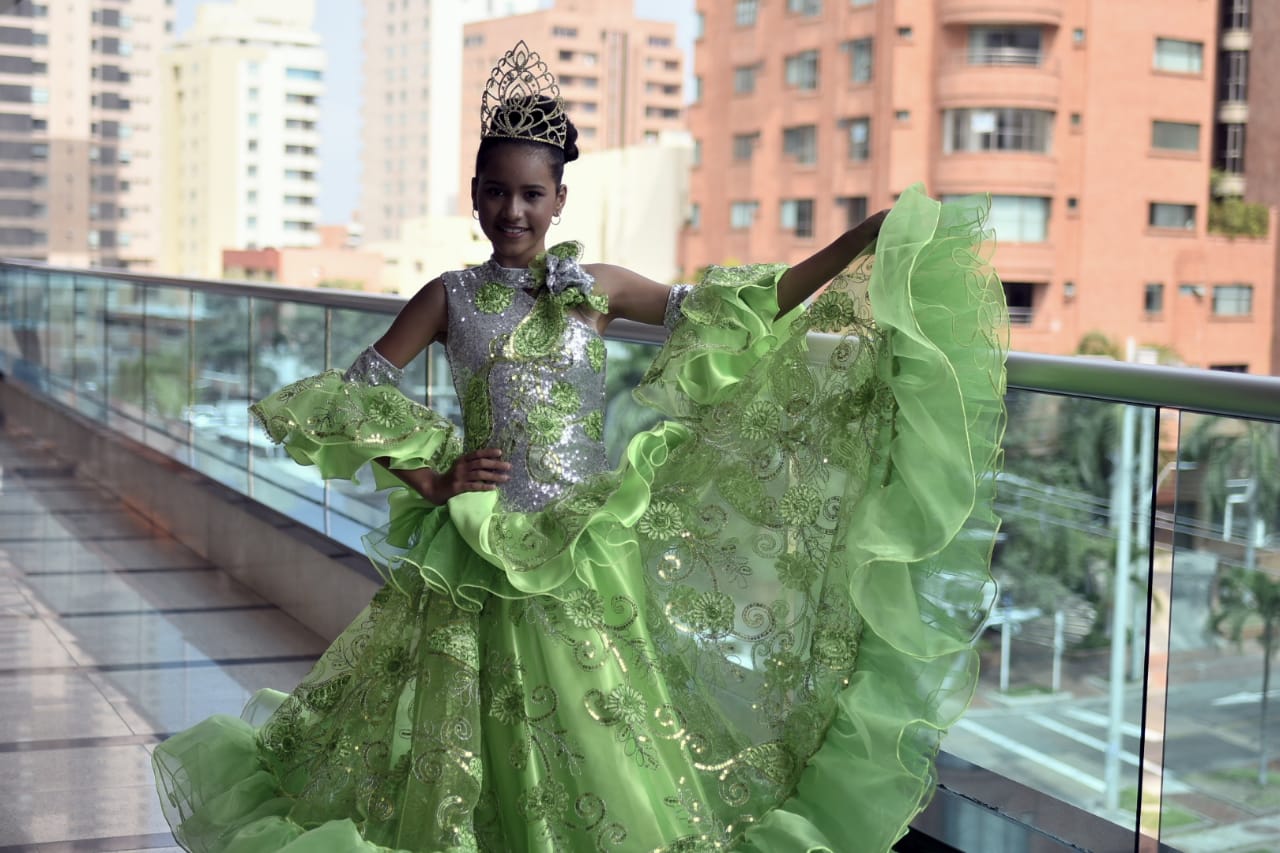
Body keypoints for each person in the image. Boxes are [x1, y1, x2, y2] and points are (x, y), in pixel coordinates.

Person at [153, 41, 1007, 853]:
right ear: (475, 192)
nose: (512, 212)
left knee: (597, 727)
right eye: (495, 192)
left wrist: (860, 240)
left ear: (560, 199)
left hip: (579, 545)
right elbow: (353, 390)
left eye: (531, 195)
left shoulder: (595, 289)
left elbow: (745, 306)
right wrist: (434, 475)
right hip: (477, 550)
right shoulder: (449, 295)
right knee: (463, 736)